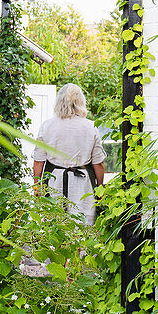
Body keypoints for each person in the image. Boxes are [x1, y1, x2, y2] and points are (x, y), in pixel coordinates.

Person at [32, 83, 105, 226]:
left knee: (54, 227)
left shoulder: (47, 126)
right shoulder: (90, 127)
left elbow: (38, 162)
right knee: (83, 226)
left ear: (59, 101)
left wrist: (36, 187)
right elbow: (99, 163)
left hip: (54, 183)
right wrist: (100, 188)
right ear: (81, 102)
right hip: (83, 185)